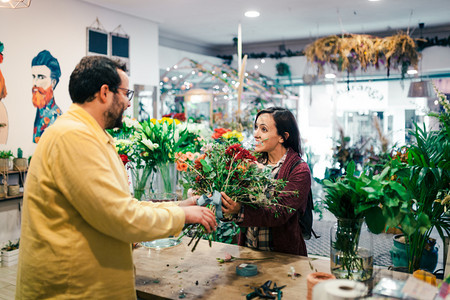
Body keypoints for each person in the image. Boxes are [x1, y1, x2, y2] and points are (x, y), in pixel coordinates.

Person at [16, 56, 217, 299]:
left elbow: (118, 203)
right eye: (125, 94)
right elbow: (119, 217)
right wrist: (181, 216)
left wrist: (177, 205)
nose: (128, 104)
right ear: (104, 93)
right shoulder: (73, 137)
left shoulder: (88, 133)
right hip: (73, 289)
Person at [221, 107, 311, 256]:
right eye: (256, 128)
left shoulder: (299, 170)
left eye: (263, 129)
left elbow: (280, 212)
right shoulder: (250, 163)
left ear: (283, 137)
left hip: (282, 258)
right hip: (249, 251)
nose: (256, 134)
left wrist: (240, 210)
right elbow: (236, 201)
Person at [31, 50, 63, 143]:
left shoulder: (57, 120)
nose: (35, 83)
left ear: (53, 83)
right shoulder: (40, 112)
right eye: (33, 76)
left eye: (41, 77)